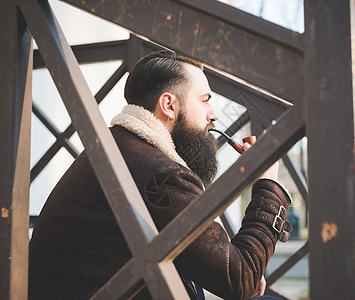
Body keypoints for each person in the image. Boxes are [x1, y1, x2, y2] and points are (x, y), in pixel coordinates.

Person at [28, 50, 292, 300]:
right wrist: (269, 185)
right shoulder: (161, 174)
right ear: (168, 105)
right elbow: (240, 280)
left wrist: (237, 262)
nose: (213, 116)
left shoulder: (120, 148)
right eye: (205, 100)